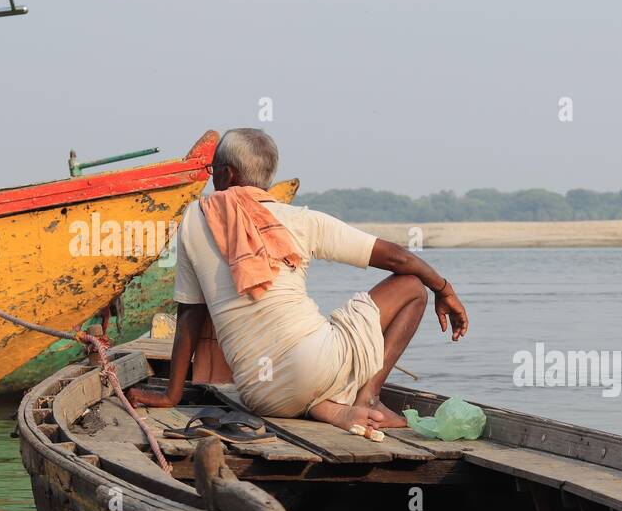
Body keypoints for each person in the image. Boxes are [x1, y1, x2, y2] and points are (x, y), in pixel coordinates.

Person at [127, 128, 468, 432]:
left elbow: (189, 315)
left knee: (308, 355)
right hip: (318, 367)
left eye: (212, 170)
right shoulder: (300, 220)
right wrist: (444, 289)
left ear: (226, 174)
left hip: (259, 395)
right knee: (412, 287)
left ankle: (323, 407)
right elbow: (399, 258)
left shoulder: (194, 219)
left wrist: (172, 395)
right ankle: (367, 399)